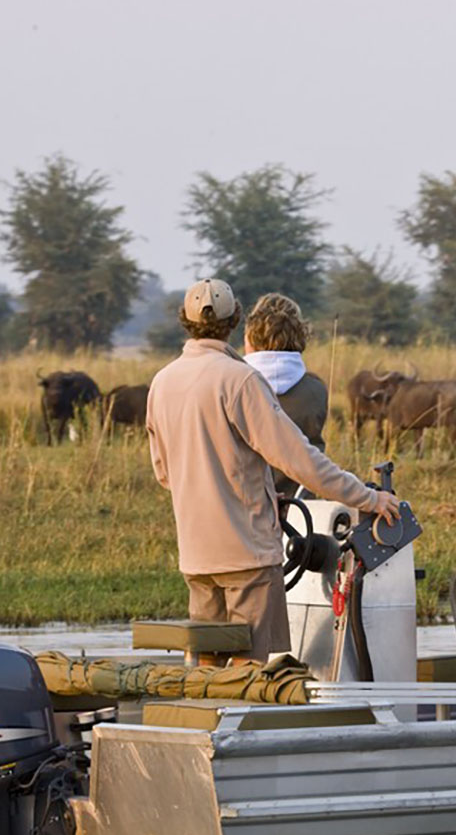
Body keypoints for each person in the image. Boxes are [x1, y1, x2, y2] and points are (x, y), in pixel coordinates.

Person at [146, 278, 399, 663]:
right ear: (235, 321)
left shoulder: (162, 383)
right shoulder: (240, 380)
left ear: (185, 320)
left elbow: (165, 475)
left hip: (196, 557)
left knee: (209, 668)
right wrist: (370, 497)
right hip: (247, 555)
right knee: (250, 671)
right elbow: (301, 461)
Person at [243, 292, 329, 497]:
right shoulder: (315, 390)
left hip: (243, 509)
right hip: (301, 508)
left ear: (250, 337)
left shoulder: (232, 387)